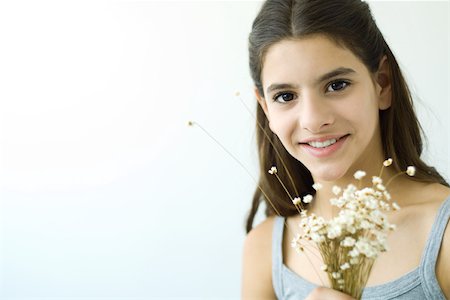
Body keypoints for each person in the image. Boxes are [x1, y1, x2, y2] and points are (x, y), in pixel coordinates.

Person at [241, 0, 450, 299]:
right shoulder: (264, 248)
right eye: (286, 95)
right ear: (266, 108)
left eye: (336, 85)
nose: (313, 120)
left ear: (382, 84)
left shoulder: (442, 232)